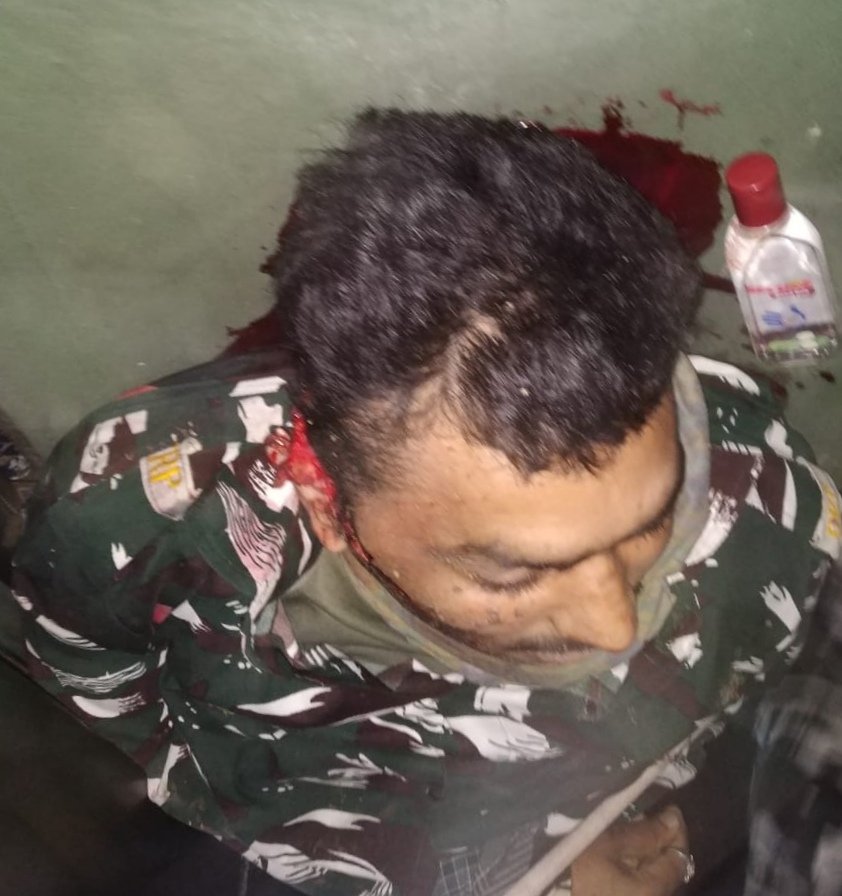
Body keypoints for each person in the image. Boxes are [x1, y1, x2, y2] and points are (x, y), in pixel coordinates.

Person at [8, 109, 841, 896]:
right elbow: (94, 681)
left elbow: (773, 705)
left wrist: (660, 833)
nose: (613, 625)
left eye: (649, 526)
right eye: (515, 575)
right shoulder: (138, 509)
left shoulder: (769, 501)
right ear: (325, 501)